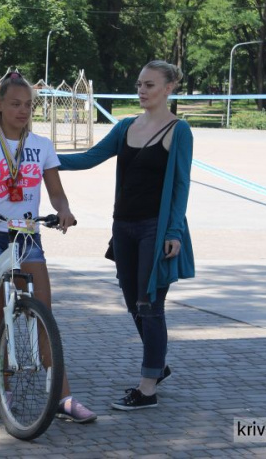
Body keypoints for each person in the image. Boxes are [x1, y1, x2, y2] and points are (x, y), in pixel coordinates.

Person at [0, 72, 97, 424]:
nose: (23, 110)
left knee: (43, 314)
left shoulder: (42, 146)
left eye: (28, 104)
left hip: (27, 237)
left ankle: (64, 397)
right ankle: (4, 389)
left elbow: (56, 191)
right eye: (15, 104)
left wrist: (63, 210)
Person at [58, 60, 195, 411]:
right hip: (123, 227)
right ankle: (157, 361)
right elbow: (89, 159)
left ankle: (147, 387)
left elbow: (180, 185)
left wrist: (174, 231)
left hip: (156, 228)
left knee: (150, 305)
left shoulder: (179, 131)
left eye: (150, 84)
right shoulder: (125, 127)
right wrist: (42, 157)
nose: (142, 90)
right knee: (134, 302)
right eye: (139, 84)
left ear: (169, 88)